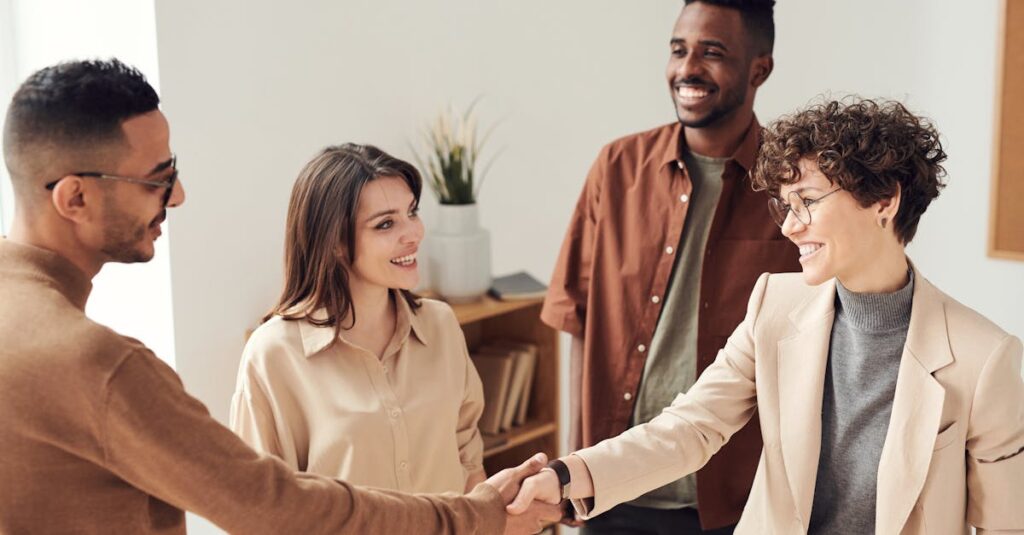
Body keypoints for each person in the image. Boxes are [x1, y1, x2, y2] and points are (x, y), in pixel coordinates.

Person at [0, 58, 559, 534]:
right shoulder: (100, 365)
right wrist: (470, 518)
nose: (178, 197)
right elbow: (269, 504)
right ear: (73, 198)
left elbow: (464, 446)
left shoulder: (437, 325)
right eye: (157, 178)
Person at [511, 98, 1024, 534]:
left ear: (884, 201)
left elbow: (1005, 525)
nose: (790, 227)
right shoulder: (773, 306)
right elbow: (689, 427)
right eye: (784, 206)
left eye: (806, 200)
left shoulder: (983, 357)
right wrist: (566, 476)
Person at [540, 0, 798, 532]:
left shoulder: (792, 186)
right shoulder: (615, 169)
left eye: (712, 53)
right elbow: (578, 322)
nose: (687, 69)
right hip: (610, 487)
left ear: (759, 69)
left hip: (734, 501)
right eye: (679, 50)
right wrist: (572, 473)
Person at [230, 143, 487, 494]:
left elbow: (467, 453)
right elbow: (260, 505)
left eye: (412, 212)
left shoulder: (439, 325)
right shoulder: (274, 355)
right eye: (385, 224)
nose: (413, 233)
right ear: (334, 241)